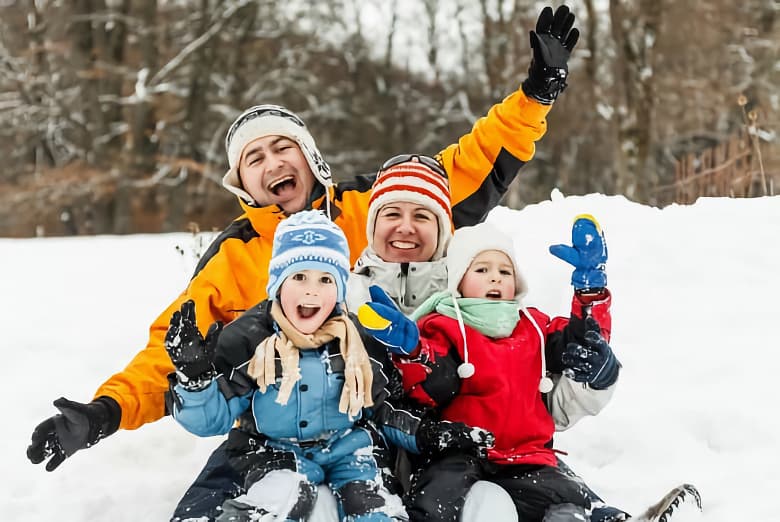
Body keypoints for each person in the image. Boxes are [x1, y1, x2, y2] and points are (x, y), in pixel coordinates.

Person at [26, 4, 580, 519]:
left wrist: (534, 96)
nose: (271, 164)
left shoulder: (370, 206)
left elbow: (467, 166)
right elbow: (174, 350)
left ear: (310, 157)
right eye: (253, 160)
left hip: (388, 415)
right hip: (276, 425)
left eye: (281, 148)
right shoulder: (237, 255)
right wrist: (102, 413)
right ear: (242, 183)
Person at [165, 210, 492, 521]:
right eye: (299, 276)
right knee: (278, 498)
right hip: (271, 451)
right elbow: (212, 420)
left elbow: (384, 410)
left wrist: (430, 433)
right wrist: (194, 379)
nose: (311, 288)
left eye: (325, 279)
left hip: (349, 451)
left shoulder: (357, 342)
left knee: (374, 505)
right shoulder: (251, 339)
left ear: (338, 290)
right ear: (278, 284)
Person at [392, 219, 620, 521]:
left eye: (504, 271)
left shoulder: (534, 327)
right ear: (459, 280)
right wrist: (414, 353)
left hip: (526, 454)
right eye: (482, 270)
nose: (495, 279)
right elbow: (429, 382)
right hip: (460, 450)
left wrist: (589, 292)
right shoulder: (442, 325)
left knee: (571, 495)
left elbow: (582, 344)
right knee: (437, 498)